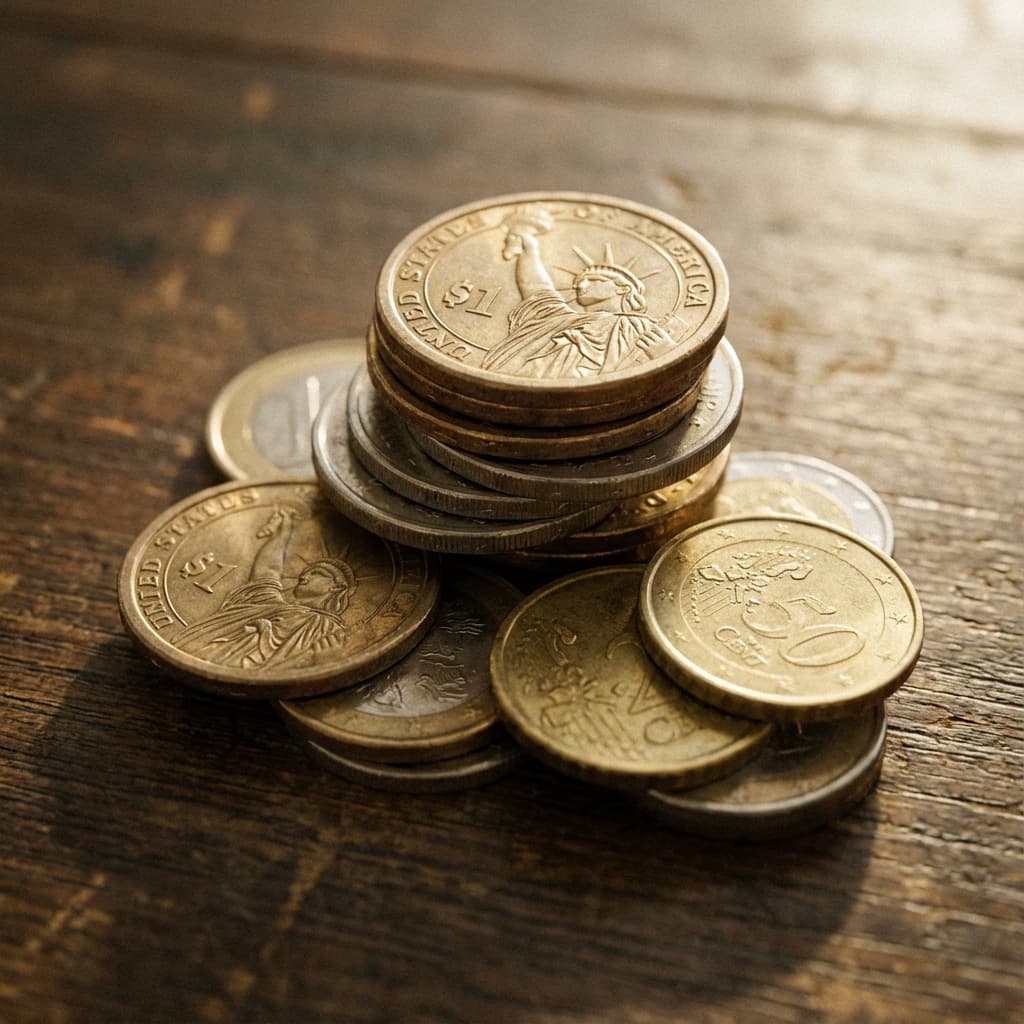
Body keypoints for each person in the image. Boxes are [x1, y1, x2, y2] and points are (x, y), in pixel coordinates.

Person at [480, 207, 675, 379]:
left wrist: (665, 352)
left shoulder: (636, 326)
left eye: (593, 280)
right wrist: (529, 250)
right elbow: (536, 288)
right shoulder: (558, 319)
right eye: (579, 282)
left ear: (622, 288)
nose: (580, 286)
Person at [176, 504, 355, 669]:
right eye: (307, 571)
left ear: (336, 588)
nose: (304, 575)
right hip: (201, 653)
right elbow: (268, 569)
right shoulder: (267, 603)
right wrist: (284, 530)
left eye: (317, 573)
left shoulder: (327, 630)